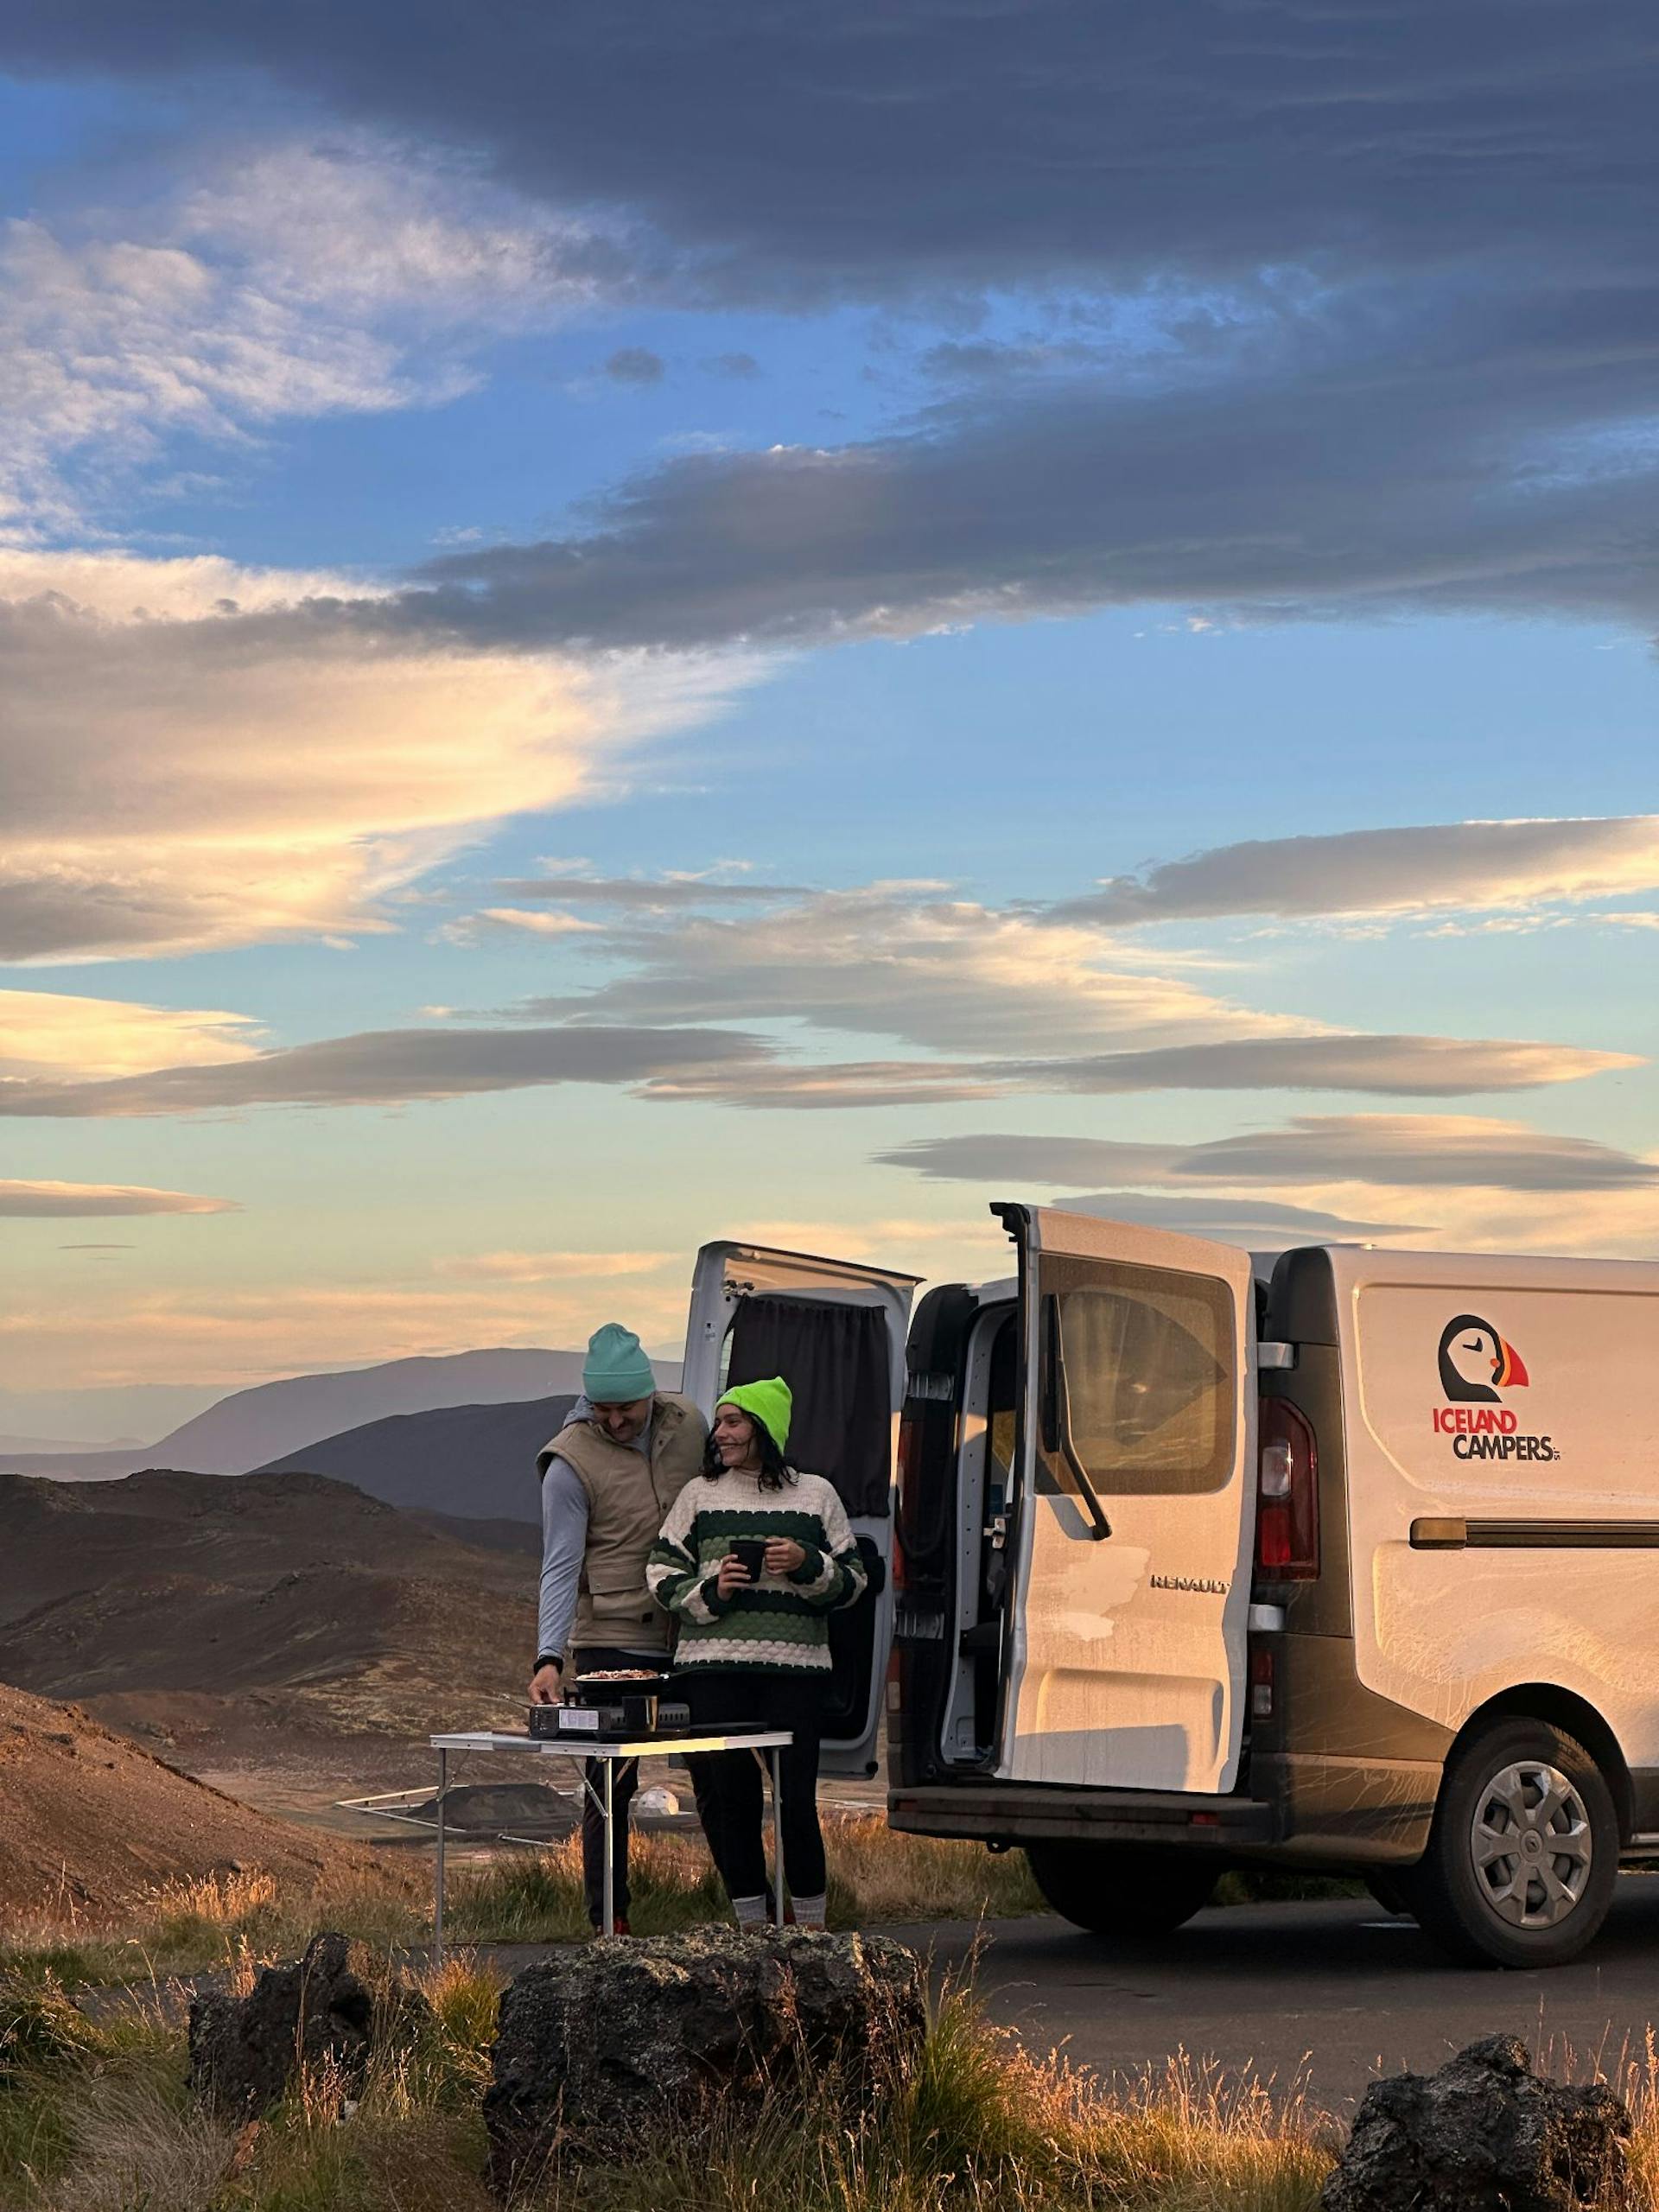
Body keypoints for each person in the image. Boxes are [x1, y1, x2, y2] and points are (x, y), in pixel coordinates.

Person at [646, 1376, 867, 1931]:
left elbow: (856, 1583)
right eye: (720, 1423)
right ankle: (752, 1929)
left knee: (797, 1803)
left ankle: (812, 1931)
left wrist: (807, 1563)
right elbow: (660, 1572)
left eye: (732, 1422)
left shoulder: (816, 1494)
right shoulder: (700, 1494)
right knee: (732, 1803)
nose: (718, 1434)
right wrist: (713, 1591)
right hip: (713, 1673)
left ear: (764, 1429)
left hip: (795, 1675)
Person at [529, 1322, 708, 1934]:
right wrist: (547, 1657)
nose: (614, 1422)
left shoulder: (689, 1424)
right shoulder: (568, 1463)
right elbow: (558, 1566)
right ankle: (611, 1920)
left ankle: (747, 1909)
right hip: (610, 1636)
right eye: (602, 1409)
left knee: (718, 1767)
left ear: (650, 1395)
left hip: (694, 1630)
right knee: (611, 1787)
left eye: (625, 1408)